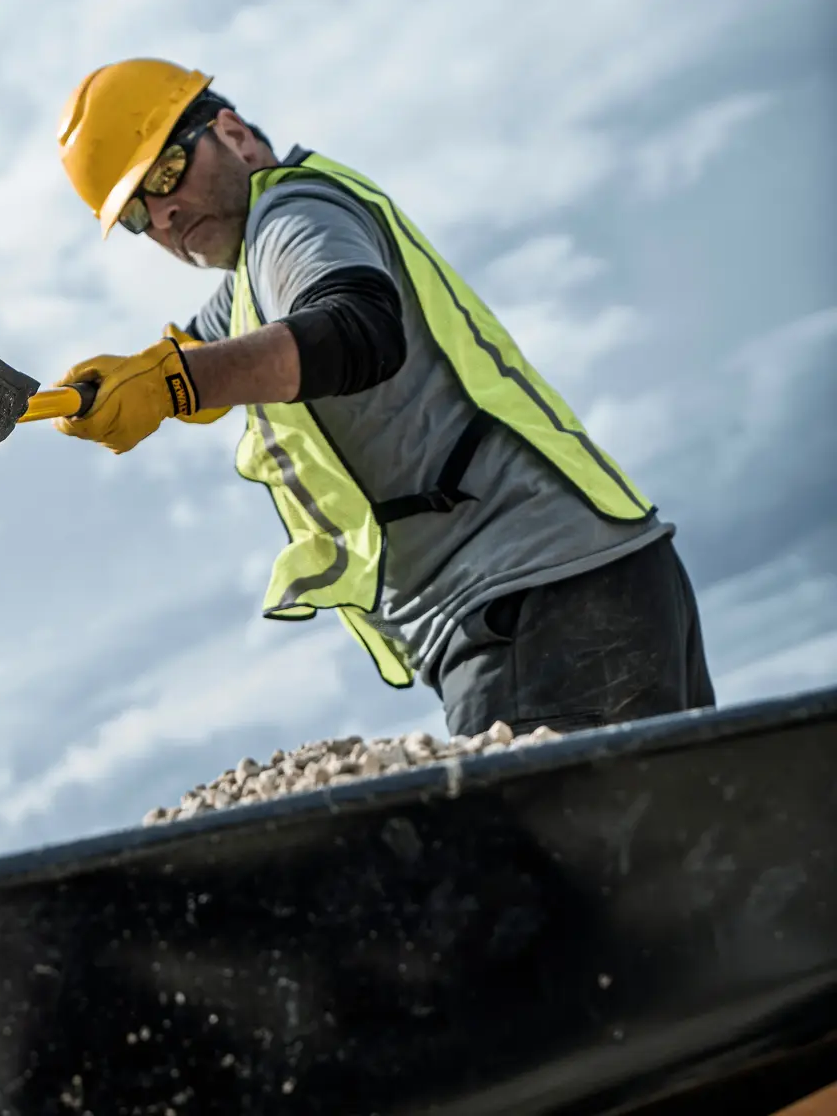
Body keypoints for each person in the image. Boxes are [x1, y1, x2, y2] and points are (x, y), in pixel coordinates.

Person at [52, 58, 715, 737]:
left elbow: (357, 330)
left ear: (234, 135)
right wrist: (105, 387)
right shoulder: (260, 265)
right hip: (584, 582)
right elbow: (201, 345)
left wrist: (172, 383)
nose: (164, 215)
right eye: (137, 214)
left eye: (165, 174)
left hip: (534, 599)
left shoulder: (290, 217)